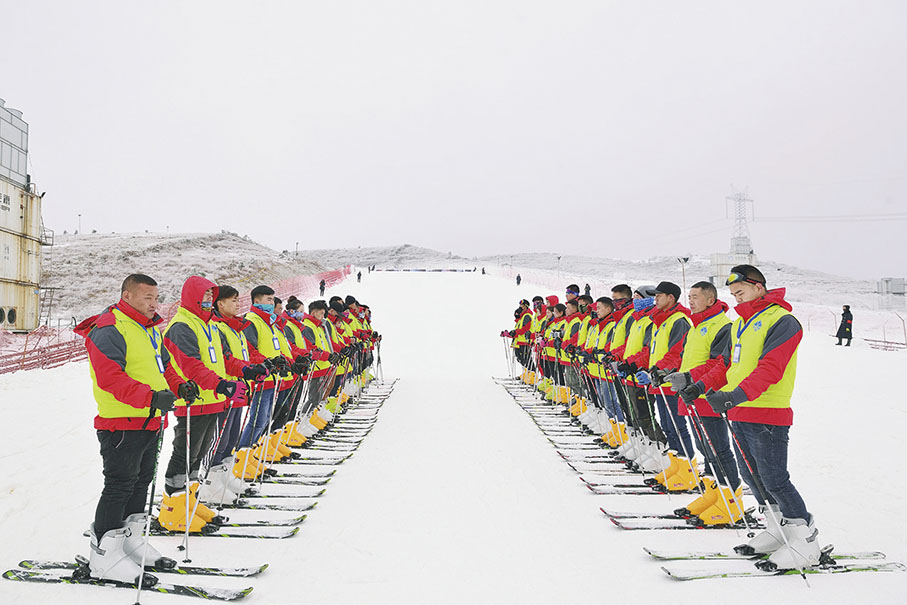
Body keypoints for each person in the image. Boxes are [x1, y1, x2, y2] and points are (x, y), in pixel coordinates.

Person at [688, 264, 819, 568]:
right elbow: (725, 366)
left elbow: (771, 368)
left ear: (759, 287)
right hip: (738, 410)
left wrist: (736, 394)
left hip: (767, 411)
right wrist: (699, 386)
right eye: (733, 295)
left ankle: (805, 537)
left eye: (741, 292)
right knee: (752, 476)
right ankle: (777, 527)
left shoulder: (783, 321)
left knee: (774, 477)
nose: (736, 299)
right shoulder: (740, 325)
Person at [74, 274, 192, 584]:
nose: (154, 304)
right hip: (121, 422)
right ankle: (103, 557)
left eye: (156, 298)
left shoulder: (149, 329)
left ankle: (130, 543)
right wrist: (151, 397)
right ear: (127, 296)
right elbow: (110, 378)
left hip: (150, 420)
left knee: (141, 483)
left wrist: (181, 387)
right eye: (147, 298)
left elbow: (164, 367)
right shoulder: (109, 328)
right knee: (120, 485)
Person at [157, 276, 249, 533]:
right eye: (205, 296)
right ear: (192, 296)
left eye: (211, 296)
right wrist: (220, 384)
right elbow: (190, 365)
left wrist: (248, 370)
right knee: (184, 455)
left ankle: (190, 501)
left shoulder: (209, 326)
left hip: (212, 401)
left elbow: (225, 360)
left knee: (198, 456)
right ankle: (173, 508)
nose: (209, 301)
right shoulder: (182, 326)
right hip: (193, 399)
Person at [664, 281, 741, 526]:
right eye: (690, 296)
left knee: (719, 449)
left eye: (695, 296)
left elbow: (718, 363)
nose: (691, 301)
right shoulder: (695, 327)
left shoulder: (721, 326)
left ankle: (731, 502)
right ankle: (713, 493)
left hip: (710, 396)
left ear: (710, 299)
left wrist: (691, 379)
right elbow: (688, 359)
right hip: (691, 395)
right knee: (705, 449)